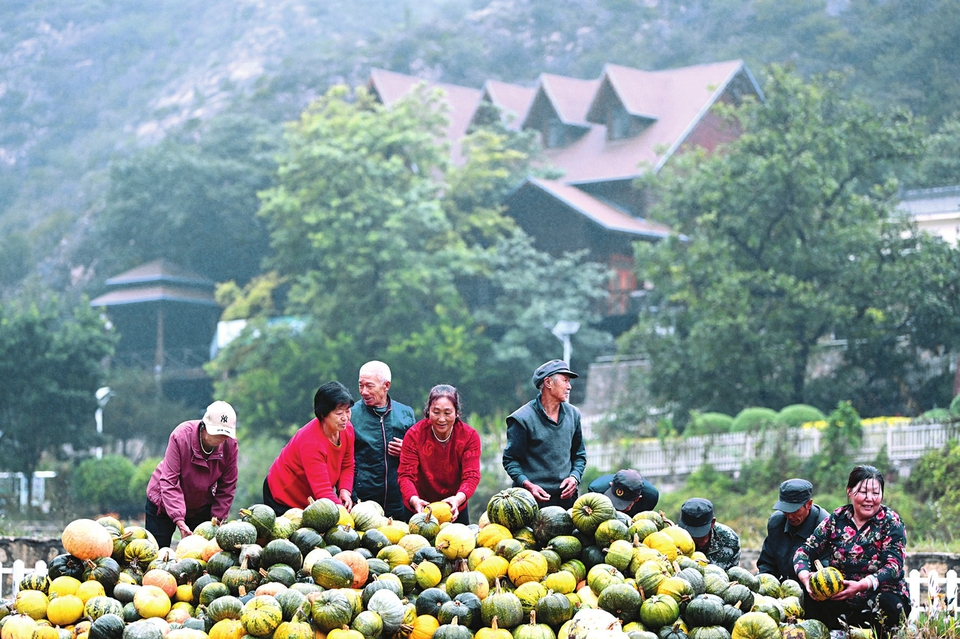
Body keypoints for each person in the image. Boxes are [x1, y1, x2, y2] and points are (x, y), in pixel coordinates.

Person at [794, 465, 911, 634]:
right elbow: (804, 551)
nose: (869, 498)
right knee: (811, 601)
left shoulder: (891, 522)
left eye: (876, 493)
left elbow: (893, 566)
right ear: (849, 491)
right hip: (841, 597)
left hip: (880, 597)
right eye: (863, 492)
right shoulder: (837, 519)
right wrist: (806, 578)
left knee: (888, 605)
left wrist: (861, 585)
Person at [145, 401, 239, 549]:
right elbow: (170, 481)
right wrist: (179, 519)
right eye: (217, 432)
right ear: (204, 426)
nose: (222, 437)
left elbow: (227, 487)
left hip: (200, 503)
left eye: (225, 434)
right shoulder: (181, 436)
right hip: (163, 500)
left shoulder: (231, 445)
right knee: (156, 552)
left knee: (201, 556)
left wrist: (217, 521)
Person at [502, 359, 587, 509]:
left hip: (566, 499)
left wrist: (574, 477)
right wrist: (528, 485)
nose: (569, 386)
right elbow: (510, 460)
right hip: (530, 500)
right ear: (548, 382)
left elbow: (579, 455)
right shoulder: (522, 419)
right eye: (565, 381)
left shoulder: (573, 414)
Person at [263, 381, 356, 512]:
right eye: (339, 413)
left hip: (312, 499)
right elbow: (322, 491)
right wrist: (343, 513)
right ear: (323, 414)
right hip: (284, 496)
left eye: (348, 411)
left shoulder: (347, 430)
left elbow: (347, 465)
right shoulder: (311, 442)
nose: (345, 418)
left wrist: (345, 491)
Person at [398, 385, 482, 524]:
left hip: (454, 507)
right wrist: (414, 500)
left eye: (447, 413)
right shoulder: (414, 435)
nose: (441, 419)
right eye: (436, 412)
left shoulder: (469, 436)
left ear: (457, 413)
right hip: (419, 508)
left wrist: (457, 499)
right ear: (428, 411)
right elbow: (406, 476)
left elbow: (471, 476)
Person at [352, 361, 416, 519]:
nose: (364, 391)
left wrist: (407, 452)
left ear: (386, 385)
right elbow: (343, 461)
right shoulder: (351, 416)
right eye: (361, 385)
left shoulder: (405, 414)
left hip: (400, 501)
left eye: (369, 386)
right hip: (362, 504)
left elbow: (421, 457)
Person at [757, 478, 829, 582]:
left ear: (809, 504)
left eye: (794, 510)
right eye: (785, 510)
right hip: (785, 590)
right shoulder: (776, 523)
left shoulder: (826, 527)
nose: (789, 516)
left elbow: (828, 569)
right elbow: (767, 564)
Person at [678, 497, 741, 569]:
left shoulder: (730, 540)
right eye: (692, 535)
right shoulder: (671, 539)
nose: (700, 542)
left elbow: (734, 574)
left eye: (701, 535)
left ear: (713, 523)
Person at [587, 469, 659, 516]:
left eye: (622, 506)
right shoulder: (596, 491)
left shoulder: (650, 498)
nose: (616, 509)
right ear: (611, 484)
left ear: (637, 499)